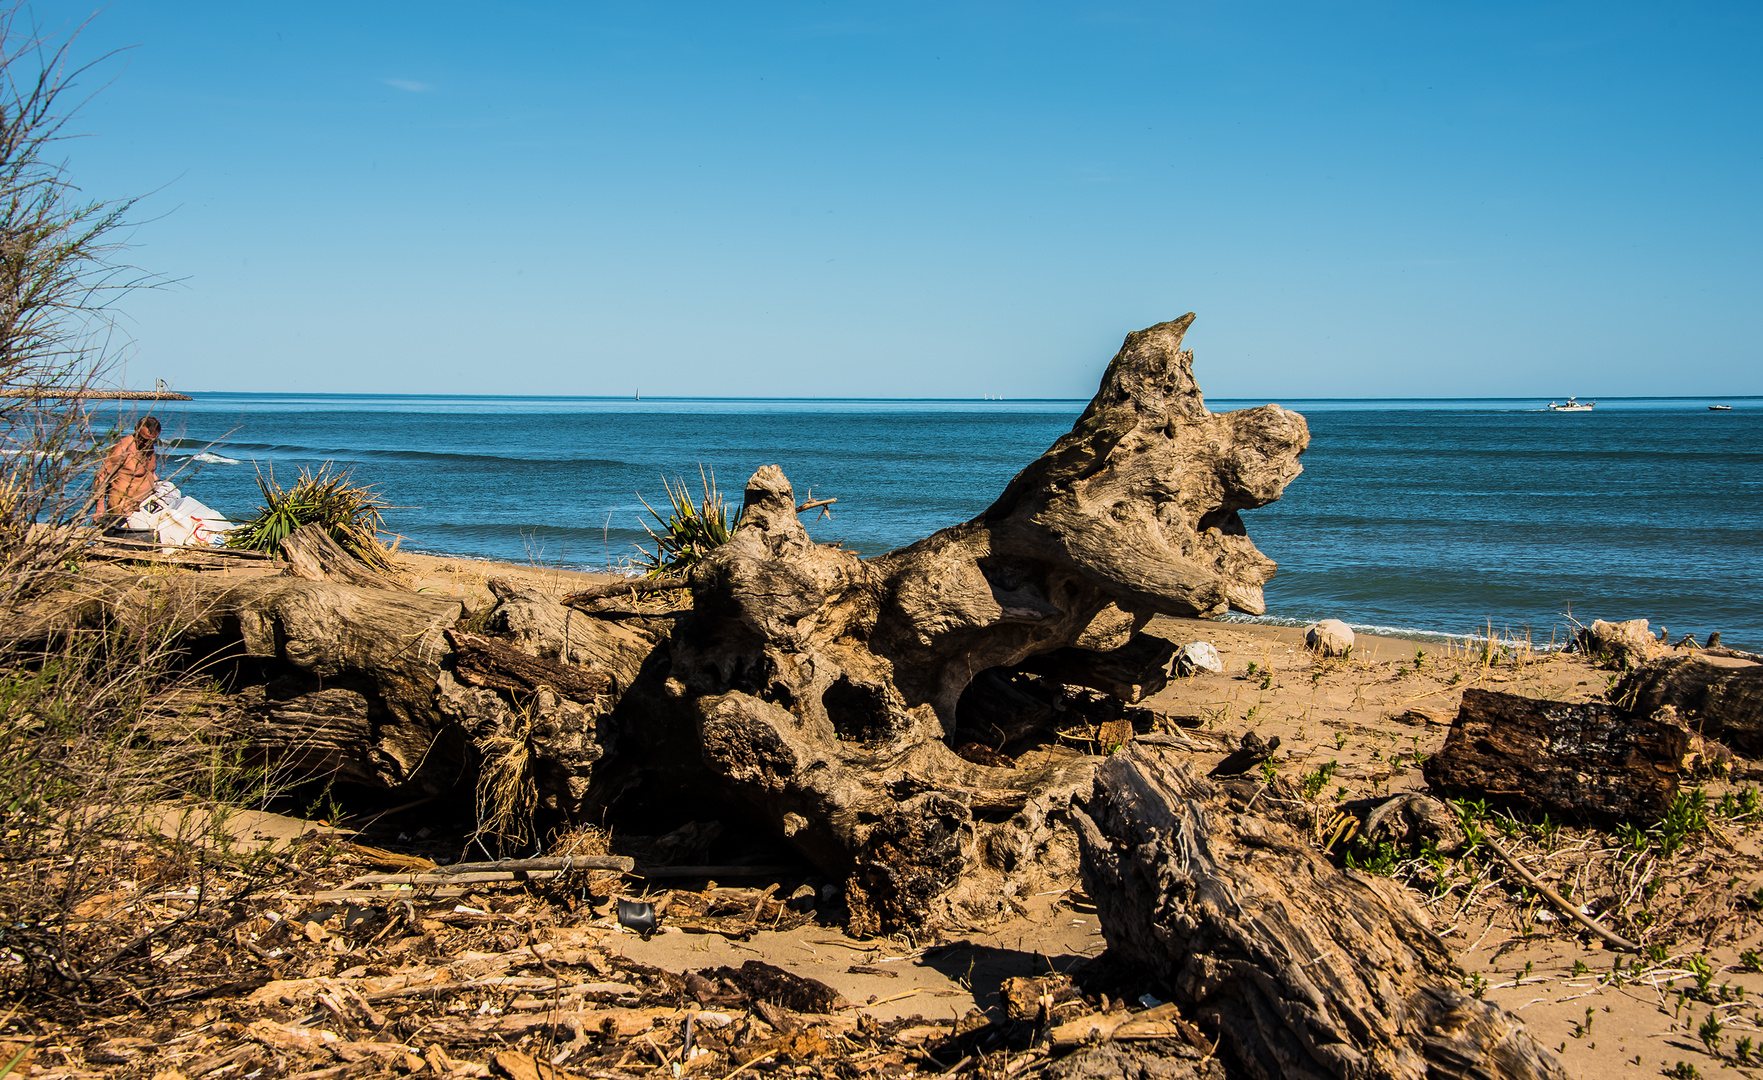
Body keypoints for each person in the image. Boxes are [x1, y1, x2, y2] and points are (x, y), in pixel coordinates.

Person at [94, 416, 160, 526]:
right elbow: (101, 477)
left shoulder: (148, 447)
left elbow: (150, 473)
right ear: (136, 429)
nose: (145, 443)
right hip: (122, 509)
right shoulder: (123, 448)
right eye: (143, 439)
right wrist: (100, 508)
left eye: (151, 440)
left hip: (144, 508)